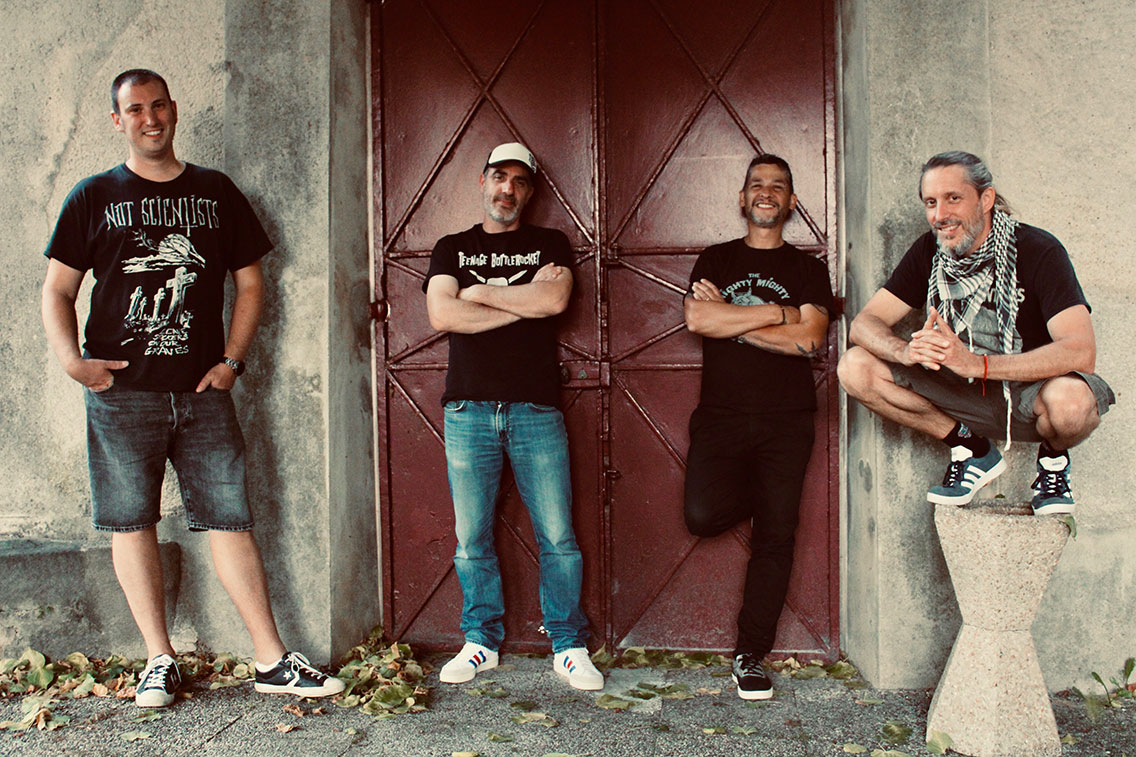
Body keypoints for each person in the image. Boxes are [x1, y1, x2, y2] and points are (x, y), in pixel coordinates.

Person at [41, 69, 344, 708]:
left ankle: (270, 659)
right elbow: (58, 289)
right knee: (132, 521)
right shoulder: (93, 195)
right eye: (135, 109)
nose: (149, 118)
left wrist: (232, 361)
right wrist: (73, 362)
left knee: (229, 518)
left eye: (158, 106)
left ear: (174, 110)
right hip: (122, 393)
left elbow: (252, 284)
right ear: (117, 120)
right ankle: (159, 660)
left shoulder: (215, 191)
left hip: (204, 393)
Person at [838, 150, 1113, 515]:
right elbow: (864, 324)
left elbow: (1080, 351)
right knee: (854, 367)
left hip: (1027, 398)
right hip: (959, 392)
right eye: (931, 202)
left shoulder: (1038, 250)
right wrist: (902, 351)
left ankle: (1053, 461)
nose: (940, 215)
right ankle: (971, 448)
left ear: (986, 199)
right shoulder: (929, 251)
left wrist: (978, 364)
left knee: (1073, 402)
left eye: (953, 198)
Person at [423, 142, 603, 691]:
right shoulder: (452, 247)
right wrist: (524, 300)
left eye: (519, 181)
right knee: (471, 537)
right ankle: (480, 641)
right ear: (482, 181)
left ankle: (568, 645)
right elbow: (441, 313)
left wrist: (480, 293)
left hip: (534, 407)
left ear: (529, 191)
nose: (508, 189)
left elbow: (554, 304)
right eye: (499, 177)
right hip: (468, 409)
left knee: (558, 534)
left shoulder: (550, 243)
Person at [683, 154, 834, 700]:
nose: (766, 192)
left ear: (791, 202)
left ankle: (750, 654)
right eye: (756, 184)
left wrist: (734, 321)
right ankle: (761, 494)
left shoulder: (809, 269)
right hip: (720, 416)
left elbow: (810, 339)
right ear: (742, 199)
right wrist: (779, 313)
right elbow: (699, 318)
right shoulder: (716, 258)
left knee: (776, 536)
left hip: (786, 420)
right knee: (701, 516)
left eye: (777, 186)